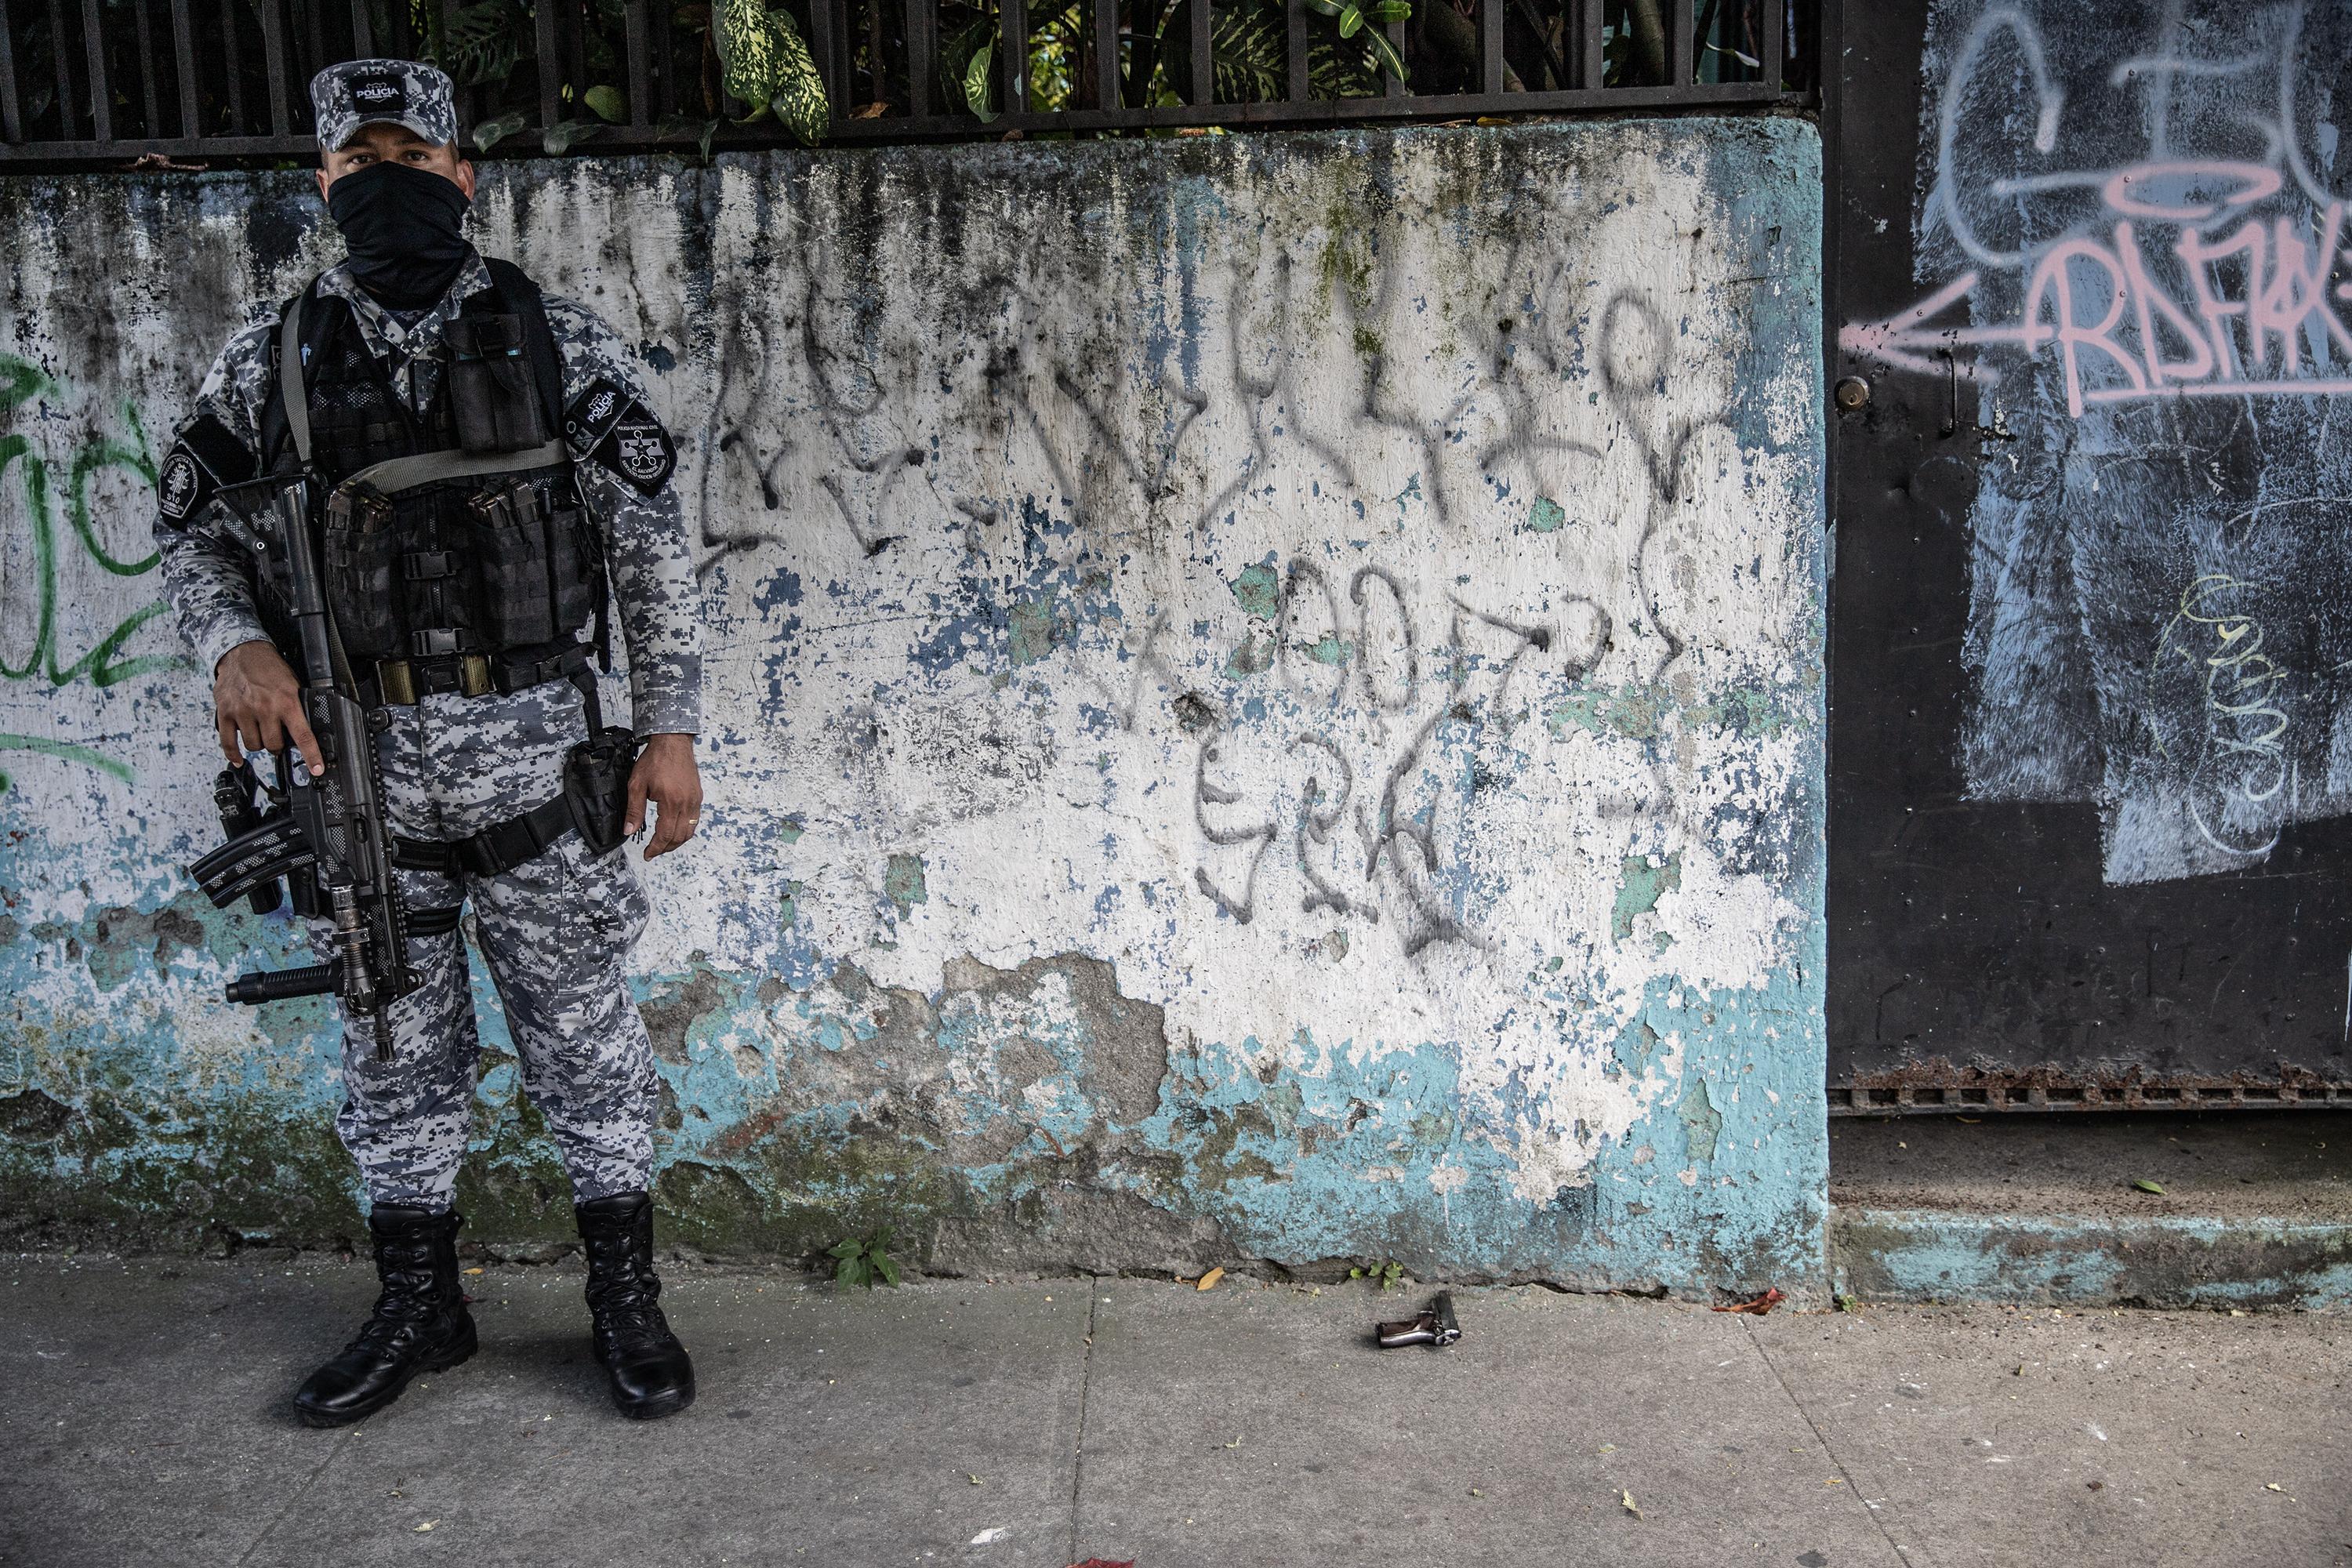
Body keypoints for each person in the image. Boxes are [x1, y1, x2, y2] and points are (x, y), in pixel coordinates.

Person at [151, 59, 706, 1425]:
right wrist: (236, 643)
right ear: (325, 185)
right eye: (358, 161)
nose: (385, 177)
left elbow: (648, 548)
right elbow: (192, 533)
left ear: (463, 175)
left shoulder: (555, 335)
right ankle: (421, 1303)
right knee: (395, 1049)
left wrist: (671, 727)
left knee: (585, 1046)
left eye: (412, 152)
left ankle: (623, 1301)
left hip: (541, 770)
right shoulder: (268, 357)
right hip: (362, 775)